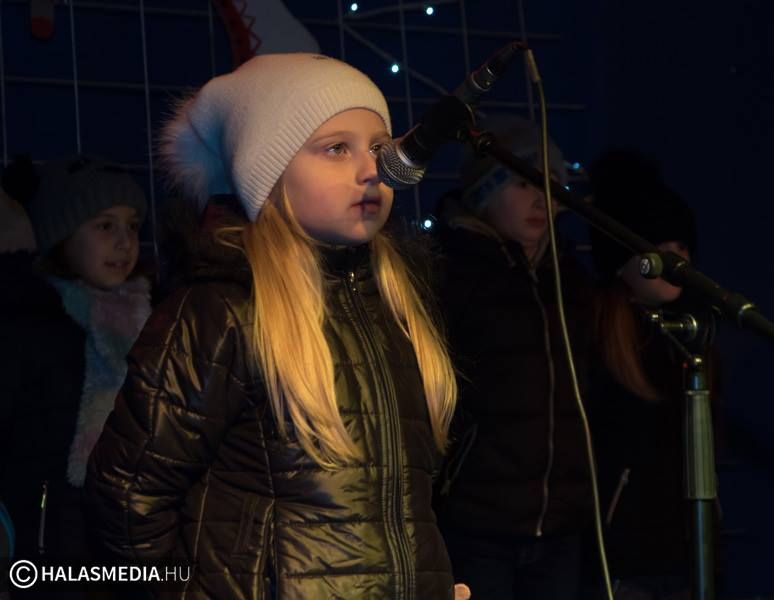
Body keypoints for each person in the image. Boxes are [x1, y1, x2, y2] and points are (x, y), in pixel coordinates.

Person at [85, 52, 466, 599]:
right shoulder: (222, 311)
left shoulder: (396, 305)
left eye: (379, 148)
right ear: (268, 171)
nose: (372, 170)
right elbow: (127, 498)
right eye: (336, 149)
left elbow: (402, 504)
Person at [433, 113, 595, 600]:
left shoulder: (569, 279)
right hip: (479, 522)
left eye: (551, 184)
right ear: (486, 190)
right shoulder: (452, 273)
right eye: (523, 183)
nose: (541, 198)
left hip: (562, 522)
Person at [0, 155, 151, 562]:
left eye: (132, 226)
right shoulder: (30, 322)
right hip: (45, 540)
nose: (125, 242)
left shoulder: (151, 319)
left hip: (126, 538)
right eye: (105, 226)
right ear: (63, 236)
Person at [582, 150, 717, 600]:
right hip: (625, 556)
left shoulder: (695, 336)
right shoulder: (597, 338)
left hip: (686, 553)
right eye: (662, 249)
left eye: (683, 248)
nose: (677, 260)